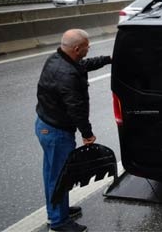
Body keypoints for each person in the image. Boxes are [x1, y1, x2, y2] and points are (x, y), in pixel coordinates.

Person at [35, 29, 111, 232]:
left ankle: (58, 210)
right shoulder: (66, 74)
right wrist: (87, 134)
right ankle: (58, 222)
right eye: (87, 45)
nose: (89, 47)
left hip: (46, 126)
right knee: (60, 176)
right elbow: (76, 109)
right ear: (77, 49)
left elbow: (83, 65)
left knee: (53, 174)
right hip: (56, 132)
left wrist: (108, 59)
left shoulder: (58, 58)